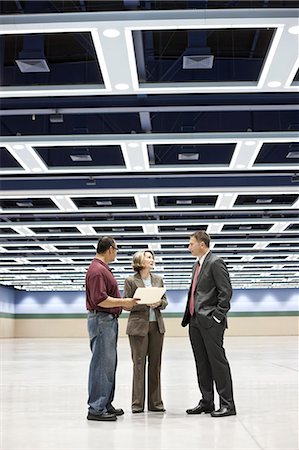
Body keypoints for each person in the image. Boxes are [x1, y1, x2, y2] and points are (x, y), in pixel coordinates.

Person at [182, 230, 236, 417]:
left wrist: (217, 317)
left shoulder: (215, 262)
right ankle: (207, 401)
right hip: (195, 321)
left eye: (191, 243)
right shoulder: (196, 265)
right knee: (202, 363)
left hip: (210, 322)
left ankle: (228, 404)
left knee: (217, 362)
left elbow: (225, 293)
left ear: (202, 244)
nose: (189, 247)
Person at [85, 236, 138, 422]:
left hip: (107, 320)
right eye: (116, 249)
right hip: (102, 320)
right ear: (109, 249)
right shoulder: (97, 271)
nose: (116, 252)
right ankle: (96, 408)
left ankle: (105, 403)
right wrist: (124, 302)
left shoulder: (102, 269)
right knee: (101, 364)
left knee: (108, 364)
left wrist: (122, 304)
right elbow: (100, 299)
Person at [123, 250, 168, 413]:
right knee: (139, 365)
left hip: (156, 326)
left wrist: (158, 303)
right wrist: (144, 303)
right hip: (138, 327)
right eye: (148, 257)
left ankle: (156, 403)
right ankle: (137, 404)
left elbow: (165, 301)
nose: (151, 259)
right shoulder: (130, 280)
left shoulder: (158, 279)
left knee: (155, 365)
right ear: (139, 260)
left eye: (152, 257)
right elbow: (126, 305)